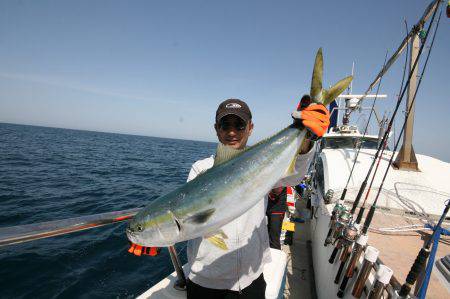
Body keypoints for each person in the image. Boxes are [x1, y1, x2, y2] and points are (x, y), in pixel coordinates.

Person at [185, 98, 329, 298]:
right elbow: (185, 216)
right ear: (217, 129)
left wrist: (307, 138)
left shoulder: (264, 163)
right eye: (225, 125)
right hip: (207, 279)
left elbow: (294, 174)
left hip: (251, 276)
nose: (232, 132)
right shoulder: (200, 169)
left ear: (250, 128)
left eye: (239, 125)